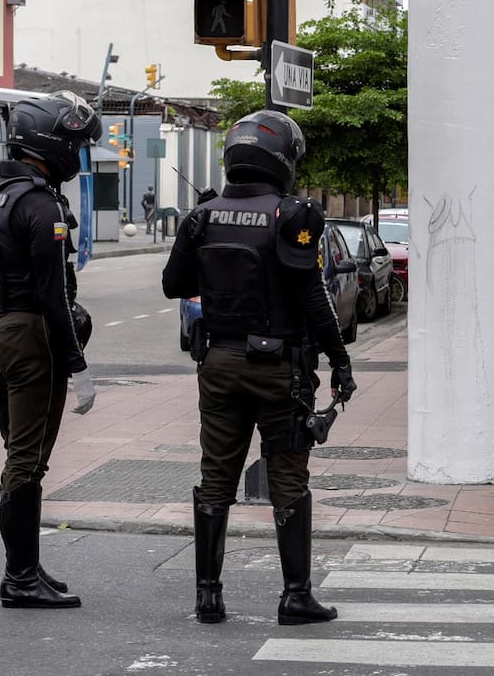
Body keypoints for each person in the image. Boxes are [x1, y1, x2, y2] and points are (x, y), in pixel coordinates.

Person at [161, 110, 356, 626]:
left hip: (219, 364)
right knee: (288, 478)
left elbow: (173, 284)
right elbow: (313, 298)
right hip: (279, 370)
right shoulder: (292, 217)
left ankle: (208, 596)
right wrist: (340, 360)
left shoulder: (202, 218)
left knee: (215, 478)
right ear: (283, 160)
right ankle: (295, 596)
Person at [0, 90, 99, 609]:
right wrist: (77, 367)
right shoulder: (42, 204)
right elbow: (55, 297)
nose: (77, 155)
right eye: (74, 144)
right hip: (28, 341)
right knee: (27, 463)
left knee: (17, 457)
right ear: (52, 141)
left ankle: (26, 565)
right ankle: (19, 579)